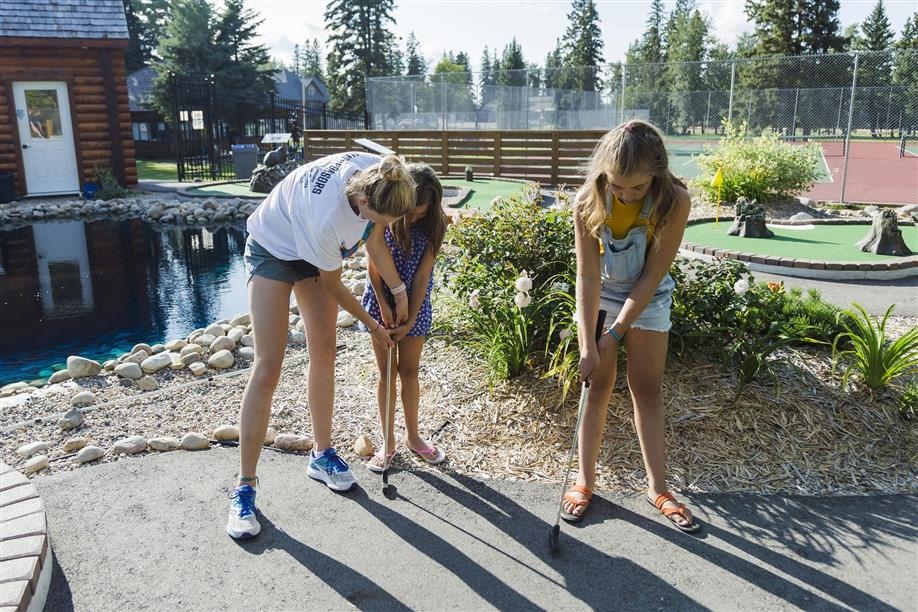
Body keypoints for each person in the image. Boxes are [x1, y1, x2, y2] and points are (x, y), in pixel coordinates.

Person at [226, 151, 416, 540]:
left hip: (313, 250)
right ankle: (244, 488)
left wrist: (398, 292)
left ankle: (321, 455)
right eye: (381, 217)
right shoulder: (329, 216)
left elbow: (374, 236)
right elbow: (332, 283)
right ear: (364, 202)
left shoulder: (381, 175)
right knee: (268, 367)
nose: (384, 225)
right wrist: (375, 327)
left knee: (324, 352)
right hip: (274, 248)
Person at [562, 120, 698, 532]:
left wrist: (616, 332)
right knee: (597, 385)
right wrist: (589, 343)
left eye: (636, 189)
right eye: (617, 185)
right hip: (602, 291)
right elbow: (586, 276)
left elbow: (653, 275)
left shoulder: (675, 201)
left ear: (655, 174)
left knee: (646, 388)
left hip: (648, 296)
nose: (624, 194)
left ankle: (659, 487)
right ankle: (584, 480)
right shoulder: (588, 199)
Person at [361, 163, 449, 472]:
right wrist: (385, 306)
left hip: (416, 304)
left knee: (410, 372)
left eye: (419, 214)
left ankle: (413, 437)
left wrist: (410, 317)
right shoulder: (389, 214)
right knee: (387, 373)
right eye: (409, 213)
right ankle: (388, 442)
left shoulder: (437, 226)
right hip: (380, 301)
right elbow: (373, 263)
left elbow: (424, 274)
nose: (411, 219)